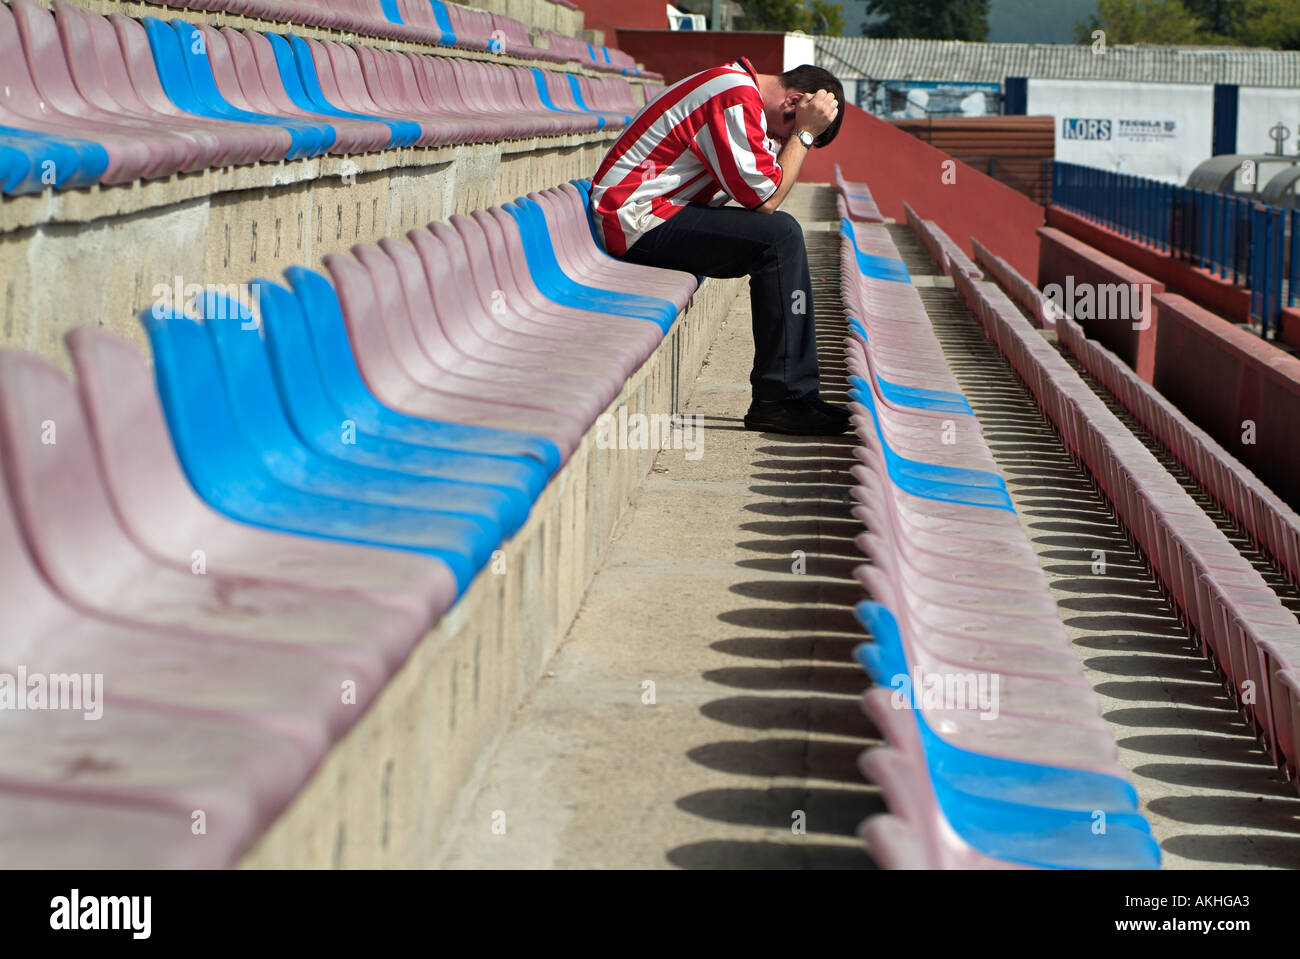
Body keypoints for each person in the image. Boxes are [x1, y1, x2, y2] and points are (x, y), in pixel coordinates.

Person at [589, 58, 849, 435]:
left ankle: (792, 393)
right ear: (794, 102)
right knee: (781, 236)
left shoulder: (737, 92)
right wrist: (804, 136)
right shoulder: (734, 96)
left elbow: (758, 191)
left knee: (778, 235)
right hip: (631, 219)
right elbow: (768, 198)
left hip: (650, 215)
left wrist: (799, 133)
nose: (780, 144)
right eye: (788, 132)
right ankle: (783, 399)